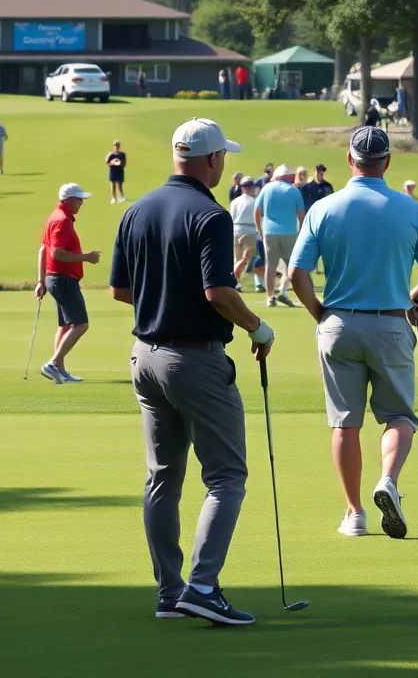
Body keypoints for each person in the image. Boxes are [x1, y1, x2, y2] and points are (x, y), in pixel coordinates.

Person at [110, 116, 274, 625]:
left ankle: (170, 591)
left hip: (145, 356)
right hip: (194, 359)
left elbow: (120, 290)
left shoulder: (137, 210)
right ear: (213, 159)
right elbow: (218, 292)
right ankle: (201, 587)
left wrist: (164, 303)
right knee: (226, 476)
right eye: (223, 156)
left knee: (162, 477)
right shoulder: (211, 215)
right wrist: (256, 327)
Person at [286, 126, 418, 539]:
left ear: (349, 160)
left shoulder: (324, 207)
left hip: (338, 325)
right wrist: (416, 297)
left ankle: (355, 514)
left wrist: (319, 313)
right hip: (391, 323)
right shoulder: (412, 210)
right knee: (399, 416)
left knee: (345, 423)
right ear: (388, 162)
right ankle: (388, 480)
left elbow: (296, 274)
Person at [33, 184, 100, 383]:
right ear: (67, 200)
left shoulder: (54, 218)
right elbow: (56, 253)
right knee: (81, 324)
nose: (81, 203)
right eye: (78, 199)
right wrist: (86, 257)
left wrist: (41, 280)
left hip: (54, 278)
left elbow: (43, 251)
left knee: (64, 325)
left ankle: (59, 371)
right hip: (63, 279)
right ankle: (53, 364)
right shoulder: (62, 221)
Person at [254, 164, 305, 308]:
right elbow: (301, 213)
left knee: (270, 266)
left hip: (269, 232)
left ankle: (270, 297)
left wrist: (260, 229)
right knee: (291, 265)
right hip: (289, 232)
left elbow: (257, 210)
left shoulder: (266, 189)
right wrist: (302, 231)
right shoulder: (294, 191)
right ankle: (282, 290)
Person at [231, 176, 258, 288]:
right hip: (249, 231)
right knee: (245, 259)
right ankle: (234, 279)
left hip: (236, 230)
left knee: (237, 258)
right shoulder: (254, 202)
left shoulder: (235, 201)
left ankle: (237, 282)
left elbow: (232, 217)